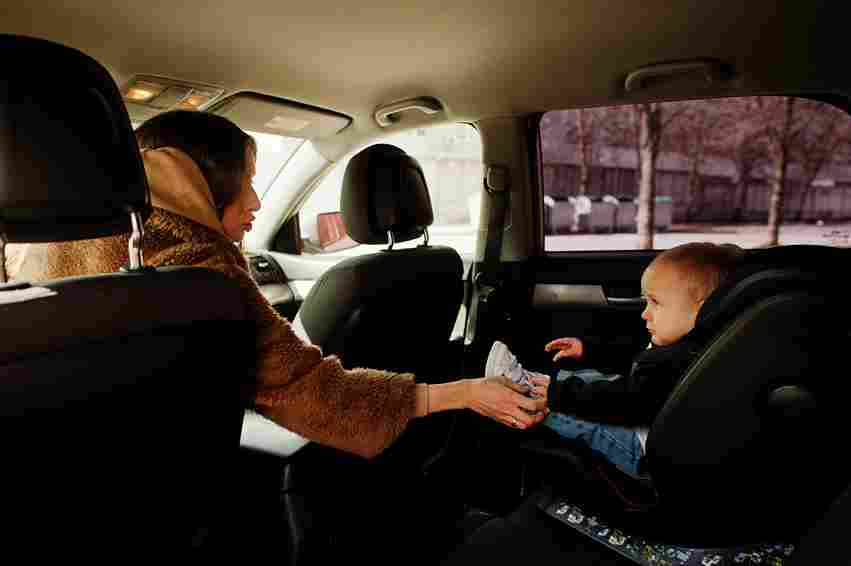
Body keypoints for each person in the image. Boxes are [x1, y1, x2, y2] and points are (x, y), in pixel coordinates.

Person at [12, 110, 550, 459]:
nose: (257, 202)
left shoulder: (20, 284)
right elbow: (313, 392)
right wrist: (460, 393)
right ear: (192, 183)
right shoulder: (207, 284)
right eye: (245, 182)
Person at [485, 242, 745, 477]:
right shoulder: (688, 346)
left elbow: (626, 402)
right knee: (591, 380)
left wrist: (559, 396)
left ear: (701, 309)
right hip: (648, 420)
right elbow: (635, 358)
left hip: (641, 450)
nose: (645, 314)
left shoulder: (679, 362)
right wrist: (589, 351)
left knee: (585, 419)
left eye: (655, 303)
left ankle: (529, 398)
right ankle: (540, 383)